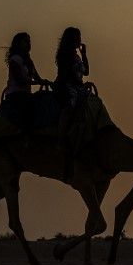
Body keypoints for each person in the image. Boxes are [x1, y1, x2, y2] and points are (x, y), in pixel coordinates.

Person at [53, 27, 89, 177]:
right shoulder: (64, 55)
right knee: (69, 107)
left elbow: (86, 72)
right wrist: (79, 85)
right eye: (77, 37)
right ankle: (61, 140)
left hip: (78, 87)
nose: (79, 40)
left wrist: (84, 55)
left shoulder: (77, 56)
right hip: (66, 86)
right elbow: (67, 74)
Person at [2, 32, 47, 127]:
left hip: (26, 93)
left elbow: (37, 77)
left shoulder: (28, 61)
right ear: (18, 43)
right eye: (25, 41)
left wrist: (45, 82)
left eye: (29, 41)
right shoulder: (15, 59)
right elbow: (20, 80)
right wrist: (36, 82)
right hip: (16, 95)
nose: (28, 44)